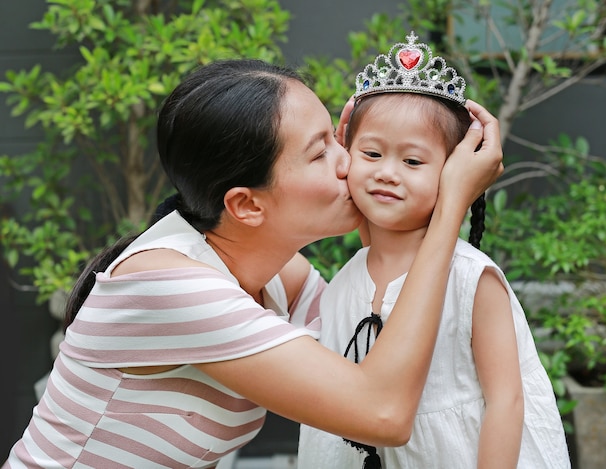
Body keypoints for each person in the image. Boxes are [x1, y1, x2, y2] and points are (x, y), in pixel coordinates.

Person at [4, 58, 502, 468]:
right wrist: (450, 206)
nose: (350, 162)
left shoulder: (280, 276)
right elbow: (382, 412)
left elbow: (376, 341)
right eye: (320, 152)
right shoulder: (169, 283)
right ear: (246, 205)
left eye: (338, 136)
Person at [297, 33, 570, 469]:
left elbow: (508, 399)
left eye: (413, 162)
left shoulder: (471, 279)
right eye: (371, 152)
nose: (387, 173)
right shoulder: (353, 272)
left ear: (454, 173)